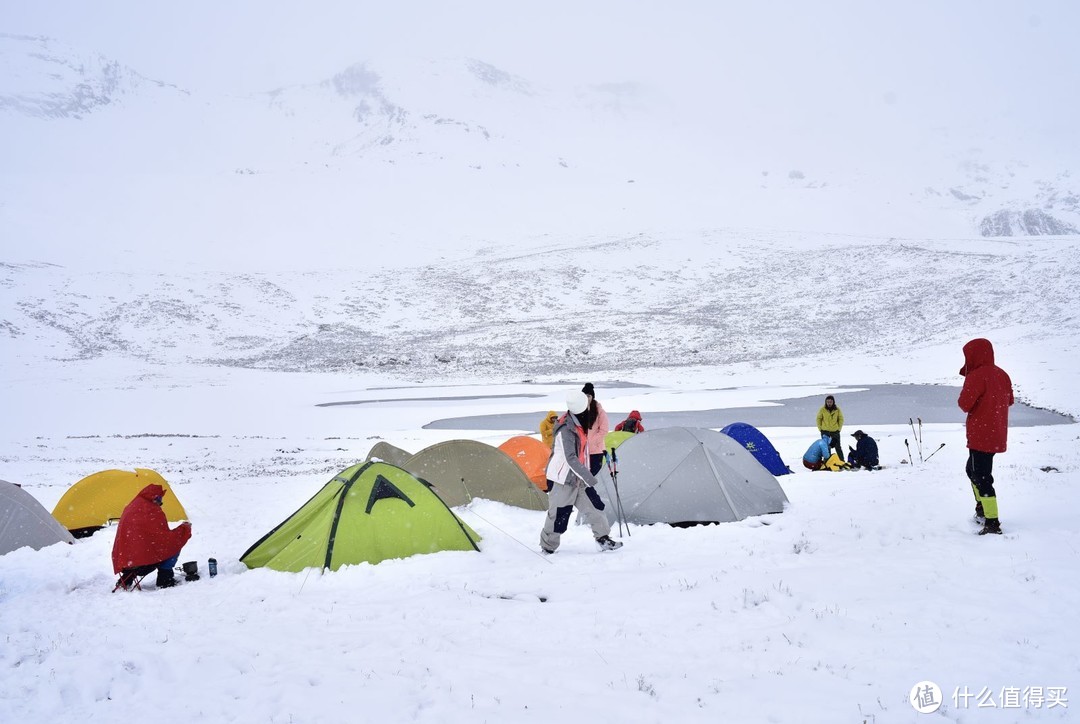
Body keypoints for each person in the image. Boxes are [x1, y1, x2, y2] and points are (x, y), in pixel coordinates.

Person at [540, 389, 623, 554]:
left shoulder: (579, 423)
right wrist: (590, 478)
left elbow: (583, 451)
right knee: (558, 516)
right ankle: (548, 547)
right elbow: (571, 458)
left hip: (579, 478)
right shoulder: (566, 429)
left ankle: (603, 538)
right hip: (563, 480)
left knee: (595, 507)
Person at [958, 338, 1013, 535]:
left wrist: (971, 381)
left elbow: (964, 404)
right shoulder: (1002, 375)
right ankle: (982, 510)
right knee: (972, 470)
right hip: (995, 433)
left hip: (981, 435)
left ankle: (991, 522)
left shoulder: (976, 376)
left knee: (981, 477)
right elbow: (1010, 400)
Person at [112, 484, 192, 589]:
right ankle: (165, 579)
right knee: (175, 544)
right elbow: (164, 540)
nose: (160, 503)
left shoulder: (131, 506)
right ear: (153, 497)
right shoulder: (152, 510)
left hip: (125, 562)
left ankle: (127, 578)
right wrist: (184, 529)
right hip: (144, 564)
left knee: (138, 549)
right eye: (159, 499)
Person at [580, 382, 610, 475]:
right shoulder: (579, 410)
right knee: (583, 480)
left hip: (596, 451)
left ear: (592, 397)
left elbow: (604, 431)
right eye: (584, 396)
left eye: (588, 396)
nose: (587, 398)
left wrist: (591, 441)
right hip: (582, 451)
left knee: (592, 479)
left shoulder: (600, 411)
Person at [816, 395, 845, 461]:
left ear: (833, 402)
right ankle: (827, 461)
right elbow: (818, 419)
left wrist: (839, 429)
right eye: (827, 402)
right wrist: (820, 429)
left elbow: (841, 419)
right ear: (826, 402)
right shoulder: (822, 409)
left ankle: (841, 461)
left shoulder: (837, 409)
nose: (829, 403)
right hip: (825, 431)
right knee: (826, 448)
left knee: (838, 447)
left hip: (835, 431)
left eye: (830, 402)